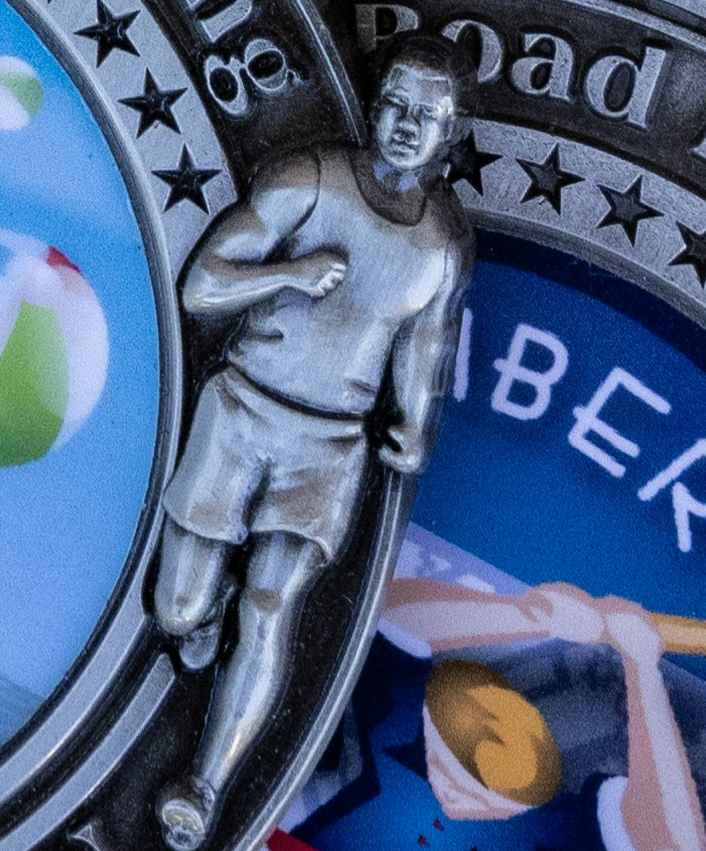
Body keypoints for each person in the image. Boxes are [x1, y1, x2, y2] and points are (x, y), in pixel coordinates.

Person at [151, 62, 480, 849]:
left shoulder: (440, 248)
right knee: (178, 610)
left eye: (426, 114)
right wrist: (289, 274)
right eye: (395, 103)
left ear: (448, 135)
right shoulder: (309, 178)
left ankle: (206, 785)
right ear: (374, 106)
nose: (406, 122)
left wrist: (413, 426)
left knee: (274, 607)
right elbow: (202, 286)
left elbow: (425, 351)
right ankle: (206, 614)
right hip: (240, 410)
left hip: (330, 445)